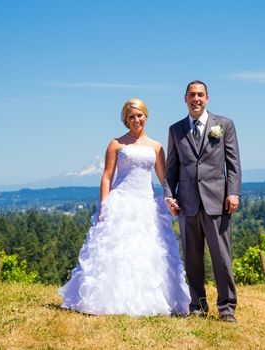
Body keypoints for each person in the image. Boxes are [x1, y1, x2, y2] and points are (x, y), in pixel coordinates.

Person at [58, 98, 190, 316]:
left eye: (139, 115)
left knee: (149, 252)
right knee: (117, 252)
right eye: (131, 116)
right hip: (122, 202)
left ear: (146, 116)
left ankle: (150, 301)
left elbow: (163, 178)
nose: (136, 119)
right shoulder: (116, 144)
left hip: (148, 204)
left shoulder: (156, 147)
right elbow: (107, 176)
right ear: (125, 120)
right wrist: (104, 205)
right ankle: (111, 301)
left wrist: (171, 198)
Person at [164, 81, 242, 323]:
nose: (196, 99)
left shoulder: (224, 124)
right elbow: (171, 168)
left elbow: (233, 163)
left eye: (200, 95)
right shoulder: (176, 129)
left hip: (217, 202)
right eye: (191, 95)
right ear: (185, 99)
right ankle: (197, 305)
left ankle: (227, 308)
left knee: (221, 259)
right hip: (187, 203)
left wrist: (234, 193)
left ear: (207, 98)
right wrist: (169, 195)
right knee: (193, 259)